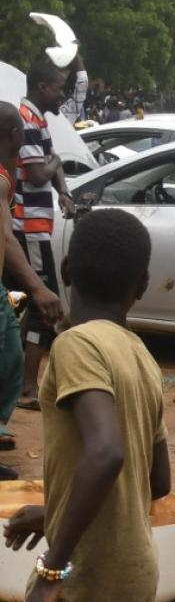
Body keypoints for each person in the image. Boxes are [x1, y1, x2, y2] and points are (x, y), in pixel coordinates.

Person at [0, 209, 170, 602]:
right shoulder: (142, 358)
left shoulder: (78, 346)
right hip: (127, 576)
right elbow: (158, 482)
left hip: (87, 582)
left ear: (67, 268)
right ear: (143, 283)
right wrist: (52, 509)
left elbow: (106, 453)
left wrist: (51, 573)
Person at [1, 102, 64, 467]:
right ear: (13, 135)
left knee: (11, 332)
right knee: (9, 350)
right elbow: (6, 240)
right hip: (19, 261)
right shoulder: (2, 179)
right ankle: (24, 390)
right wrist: (38, 287)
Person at [14, 59, 75, 413]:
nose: (62, 95)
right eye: (58, 88)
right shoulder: (25, 121)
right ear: (41, 88)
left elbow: (54, 167)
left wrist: (63, 191)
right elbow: (39, 173)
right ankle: (26, 389)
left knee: (19, 305)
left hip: (37, 227)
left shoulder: (39, 121)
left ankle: (19, 381)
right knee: (43, 306)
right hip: (28, 229)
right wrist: (54, 163)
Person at [58, 55, 87, 123]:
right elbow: (82, 87)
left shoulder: (63, 112)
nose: (62, 95)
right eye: (56, 89)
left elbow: (82, 87)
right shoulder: (62, 114)